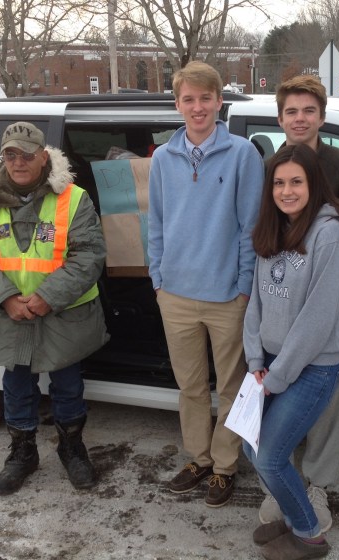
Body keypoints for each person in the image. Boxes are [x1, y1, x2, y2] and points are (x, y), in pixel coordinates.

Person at [0, 121, 109, 496]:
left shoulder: (73, 198)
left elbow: (89, 255)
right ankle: (22, 454)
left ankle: (72, 449)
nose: (19, 161)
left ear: (44, 157)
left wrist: (48, 297)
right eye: (11, 154)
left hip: (61, 312)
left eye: (27, 154)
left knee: (68, 386)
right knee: (17, 387)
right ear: (2, 157)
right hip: (11, 314)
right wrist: (7, 298)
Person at [148, 61, 264, 507]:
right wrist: (158, 277)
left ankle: (224, 466)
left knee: (231, 388)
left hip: (226, 298)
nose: (198, 107)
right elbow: (154, 222)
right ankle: (197, 459)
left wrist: (243, 287)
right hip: (175, 295)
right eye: (188, 99)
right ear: (178, 104)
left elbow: (249, 227)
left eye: (206, 98)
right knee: (191, 387)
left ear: (220, 101)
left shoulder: (241, 155)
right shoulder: (163, 158)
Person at [257, 74, 339, 532]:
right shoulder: (270, 166)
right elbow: (264, 235)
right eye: (291, 111)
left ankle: (317, 483)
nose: (299, 119)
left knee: (322, 408)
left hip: (323, 312)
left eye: (308, 110)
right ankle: (279, 483)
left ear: (321, 115)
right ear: (279, 117)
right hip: (281, 308)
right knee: (277, 413)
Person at [244, 143, 339, 560]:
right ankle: (294, 515)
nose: (287, 191)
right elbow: (256, 302)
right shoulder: (274, 228)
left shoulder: (329, 236)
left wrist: (275, 379)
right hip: (272, 365)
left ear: (315, 185)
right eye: (279, 182)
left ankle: (309, 534)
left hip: (312, 367)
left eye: (297, 182)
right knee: (253, 448)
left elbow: (317, 320)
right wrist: (257, 363)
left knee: (272, 456)